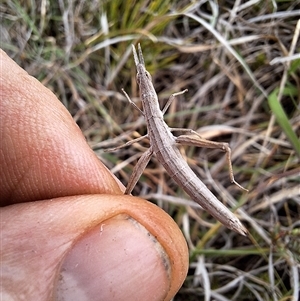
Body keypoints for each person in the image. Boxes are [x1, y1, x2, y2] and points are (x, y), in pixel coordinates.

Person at [0, 49, 188, 300]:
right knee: (125, 194)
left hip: (172, 155)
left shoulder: (155, 107)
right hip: (160, 146)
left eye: (144, 78)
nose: (143, 80)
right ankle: (126, 203)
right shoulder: (143, 106)